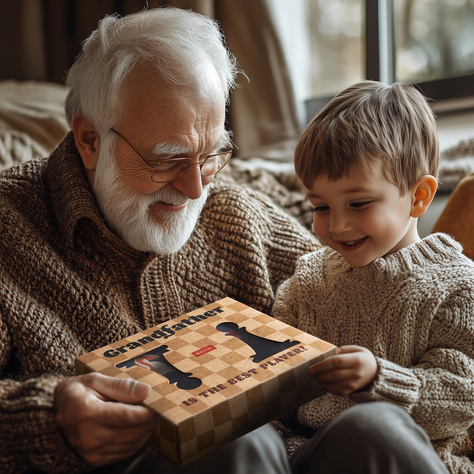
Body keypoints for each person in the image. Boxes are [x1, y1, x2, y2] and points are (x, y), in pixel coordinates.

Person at [0, 7, 320, 473]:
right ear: (89, 139)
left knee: (378, 431)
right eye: (167, 159)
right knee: (239, 447)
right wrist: (48, 418)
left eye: (210, 156)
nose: (195, 189)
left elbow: (370, 296)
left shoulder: (236, 212)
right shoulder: (9, 228)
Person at [273, 80, 474, 473]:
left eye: (359, 203)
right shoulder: (305, 283)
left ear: (419, 197)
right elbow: (275, 384)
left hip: (405, 457)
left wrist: (379, 379)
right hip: (310, 456)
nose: (339, 225)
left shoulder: (457, 287)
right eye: (321, 207)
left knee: (371, 426)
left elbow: (464, 397)